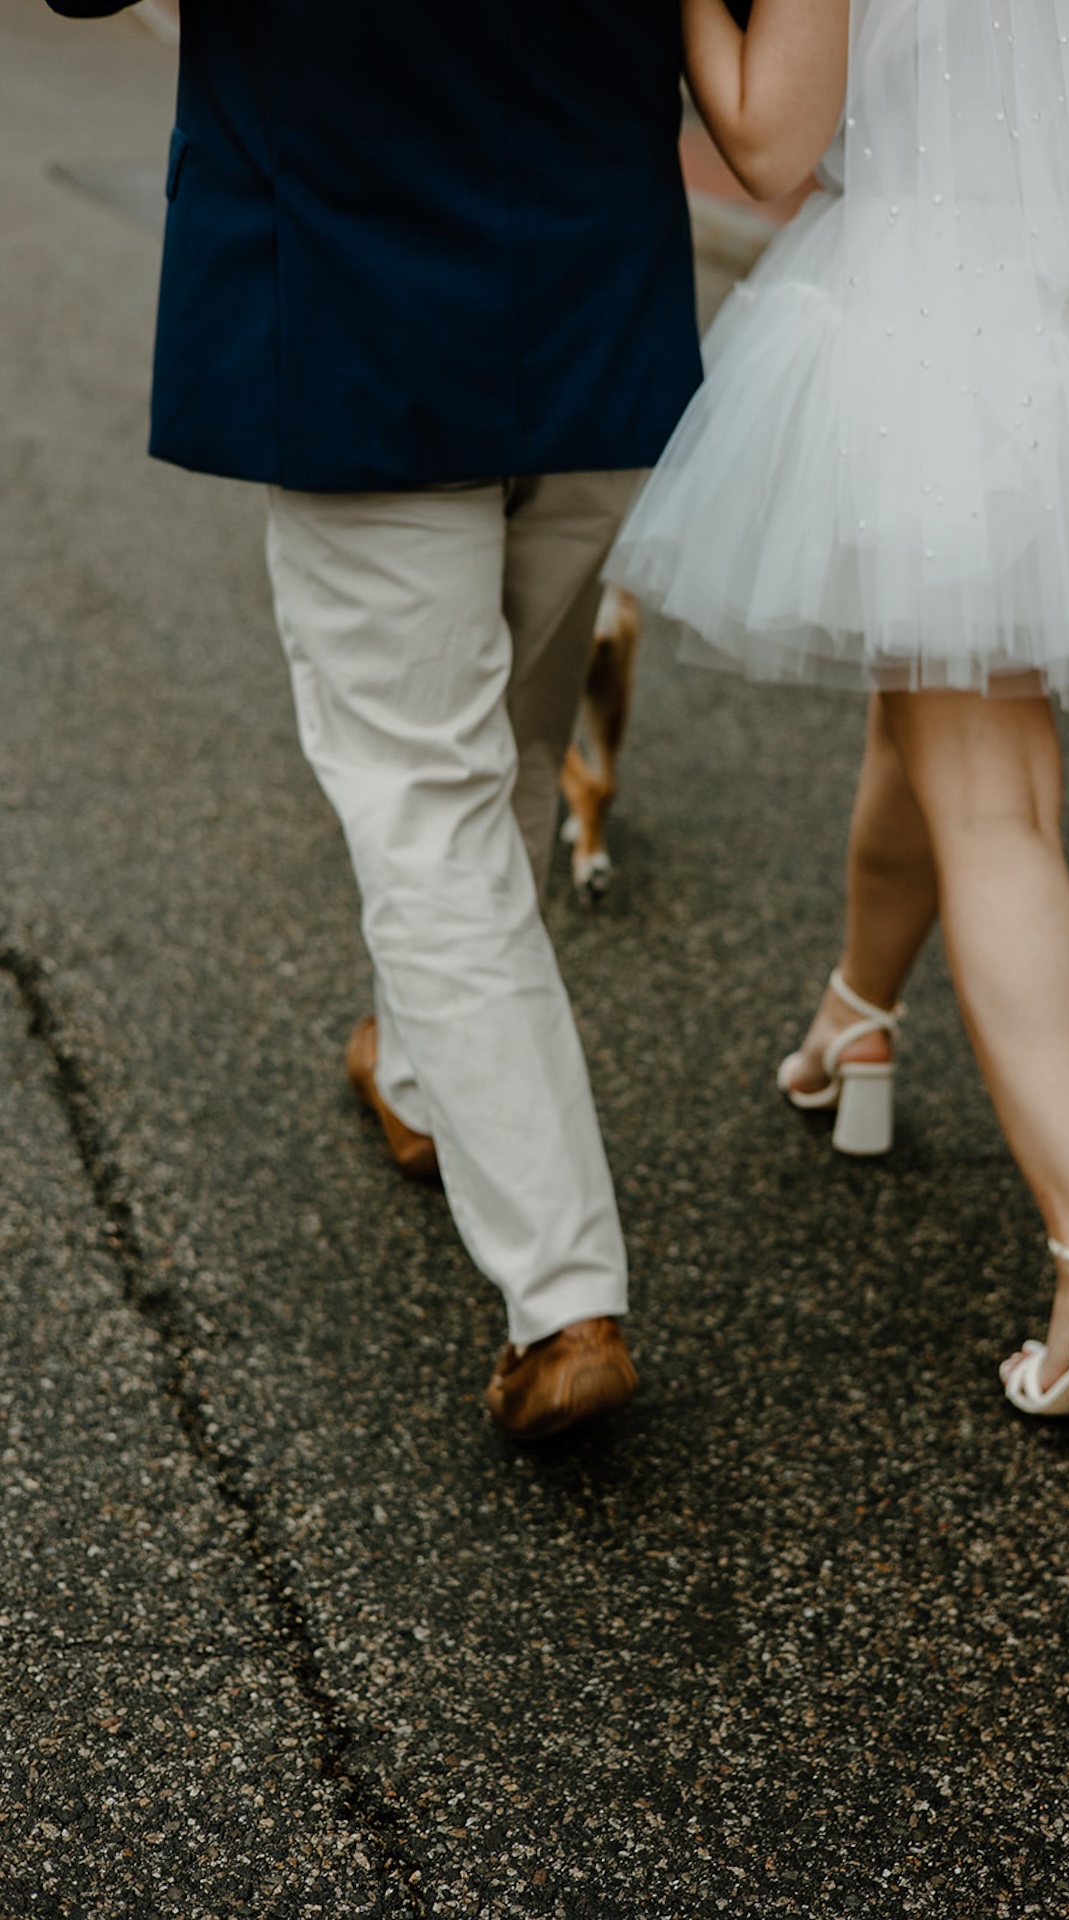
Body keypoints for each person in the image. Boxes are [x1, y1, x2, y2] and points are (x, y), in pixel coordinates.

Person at [611, 0, 1069, 1458]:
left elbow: (769, 140)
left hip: (926, 328)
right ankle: (853, 1022)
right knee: (922, 718)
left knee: (993, 800)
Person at [46, 0, 720, 1439]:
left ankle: (564, 1297)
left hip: (356, 298)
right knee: (511, 748)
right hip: (597, 299)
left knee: (424, 793)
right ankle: (419, 1075)